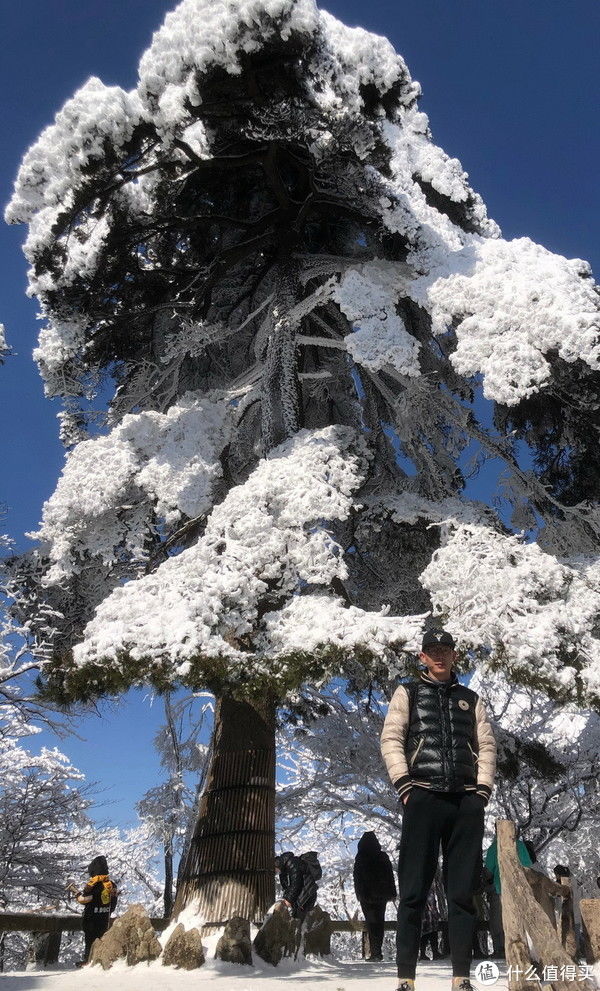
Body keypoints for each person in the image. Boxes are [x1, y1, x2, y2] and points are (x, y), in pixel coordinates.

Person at [381, 629, 496, 991]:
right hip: (423, 798)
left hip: (465, 802)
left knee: (462, 893)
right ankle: (406, 978)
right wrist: (405, 785)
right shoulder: (408, 692)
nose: (439, 656)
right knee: (413, 891)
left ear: (454, 655)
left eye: (445, 650)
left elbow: (487, 744)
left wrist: (482, 792)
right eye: (432, 651)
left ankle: (461, 976)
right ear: (422, 657)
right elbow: (391, 738)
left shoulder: (471, 698)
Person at [483, 833, 533, 959]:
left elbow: (488, 871)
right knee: (518, 920)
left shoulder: (494, 848)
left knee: (497, 921)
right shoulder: (520, 846)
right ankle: (519, 948)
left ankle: (500, 948)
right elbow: (527, 867)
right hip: (519, 889)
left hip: (499, 888)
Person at [353, 831, 397, 961]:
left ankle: (375, 953)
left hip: (367, 896)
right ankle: (378, 951)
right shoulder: (383, 856)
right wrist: (392, 893)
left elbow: (357, 878)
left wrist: (359, 894)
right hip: (382, 895)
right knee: (380, 923)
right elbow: (390, 876)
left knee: (371, 923)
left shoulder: (360, 857)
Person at [75, 855, 118, 965]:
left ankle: (88, 960)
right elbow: (113, 903)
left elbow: (84, 899)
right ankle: (102, 959)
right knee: (102, 939)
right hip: (104, 918)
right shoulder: (111, 885)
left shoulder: (92, 885)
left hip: (91, 919)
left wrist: (78, 895)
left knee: (90, 940)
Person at [274, 850, 321, 921]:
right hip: (303, 896)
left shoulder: (292, 863)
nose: (276, 872)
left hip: (306, 896)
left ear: (277, 864)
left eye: (276, 870)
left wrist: (289, 900)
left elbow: (296, 883)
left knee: (299, 922)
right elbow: (287, 887)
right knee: (299, 922)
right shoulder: (285, 869)